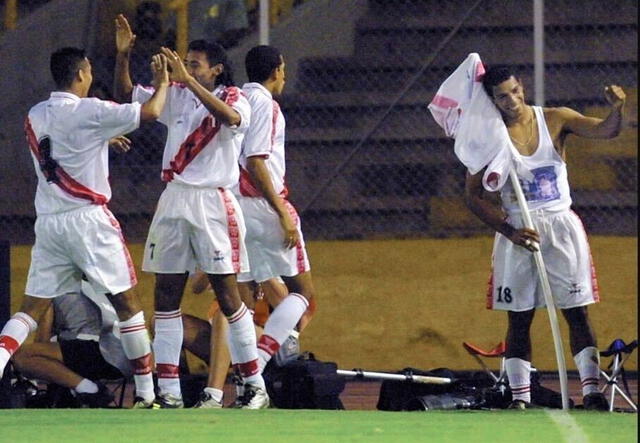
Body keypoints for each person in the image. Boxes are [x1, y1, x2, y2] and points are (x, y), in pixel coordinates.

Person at [0, 46, 169, 409]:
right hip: (88, 220)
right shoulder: (90, 109)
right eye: (89, 69)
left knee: (30, 310)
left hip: (49, 223)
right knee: (127, 303)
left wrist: (100, 140)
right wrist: (164, 81)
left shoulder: (35, 114)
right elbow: (153, 111)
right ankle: (146, 396)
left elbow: (57, 149)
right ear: (82, 73)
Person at [113, 14, 269, 409]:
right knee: (165, 295)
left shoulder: (236, 97)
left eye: (194, 63)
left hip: (213, 202)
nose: (185, 66)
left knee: (228, 294)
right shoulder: (177, 94)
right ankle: (168, 392)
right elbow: (129, 98)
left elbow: (230, 120)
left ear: (216, 69)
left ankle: (254, 385)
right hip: (174, 199)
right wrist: (124, 57)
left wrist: (188, 80)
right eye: (185, 62)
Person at [464, 66, 626, 410]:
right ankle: (520, 397)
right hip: (518, 229)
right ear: (492, 101)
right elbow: (473, 195)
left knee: (576, 312)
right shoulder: (490, 137)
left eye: (515, 91)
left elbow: (605, 131)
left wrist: (617, 109)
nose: (512, 101)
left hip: (560, 225)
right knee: (519, 317)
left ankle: (593, 392)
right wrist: (509, 230)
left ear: (522, 87)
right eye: (503, 96)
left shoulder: (555, 118)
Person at [233, 45, 316, 379]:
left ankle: (246, 379)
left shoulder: (234, 98)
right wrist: (281, 211)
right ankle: (261, 363)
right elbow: (256, 161)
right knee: (302, 295)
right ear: (278, 70)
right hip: (263, 208)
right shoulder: (266, 104)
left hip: (232, 208)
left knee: (240, 302)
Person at [12, 281, 130, 408]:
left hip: (97, 349)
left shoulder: (50, 286)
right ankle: (77, 391)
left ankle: (91, 390)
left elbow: (42, 340)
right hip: (125, 353)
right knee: (57, 349)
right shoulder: (96, 281)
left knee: (23, 356)